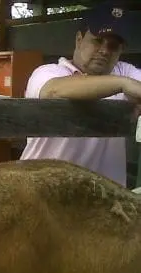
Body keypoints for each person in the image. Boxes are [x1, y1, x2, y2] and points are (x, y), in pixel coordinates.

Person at [20, 1, 141, 187]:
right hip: (44, 192)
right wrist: (124, 85)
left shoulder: (124, 71)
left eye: (114, 46)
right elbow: (53, 90)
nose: (105, 51)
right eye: (98, 40)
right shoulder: (48, 72)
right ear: (79, 39)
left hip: (105, 199)